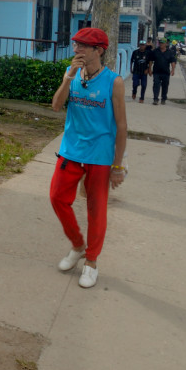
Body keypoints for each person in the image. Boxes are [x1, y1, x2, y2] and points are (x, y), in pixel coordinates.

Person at [49, 27, 128, 289]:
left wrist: (118, 165)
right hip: (72, 149)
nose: (77, 49)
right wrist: (68, 77)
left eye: (83, 45)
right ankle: (77, 244)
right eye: (75, 44)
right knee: (57, 197)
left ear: (99, 50)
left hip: (100, 155)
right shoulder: (72, 75)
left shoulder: (113, 82)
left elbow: (121, 125)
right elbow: (56, 106)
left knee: (96, 208)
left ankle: (91, 261)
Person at [147, 38, 177, 104]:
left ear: (166, 44)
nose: (161, 44)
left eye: (162, 43)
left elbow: (173, 61)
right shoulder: (155, 51)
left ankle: (163, 99)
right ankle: (155, 99)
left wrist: (173, 70)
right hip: (156, 72)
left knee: (165, 86)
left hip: (165, 72)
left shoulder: (170, 52)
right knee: (156, 85)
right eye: (160, 43)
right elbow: (151, 60)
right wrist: (149, 69)